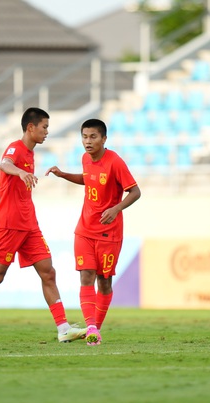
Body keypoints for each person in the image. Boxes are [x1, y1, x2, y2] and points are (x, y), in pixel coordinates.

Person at [0, 107, 86, 344]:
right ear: (30, 127)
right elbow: (4, 164)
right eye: (44, 127)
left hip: (29, 224)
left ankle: (63, 328)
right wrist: (17, 175)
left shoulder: (31, 153)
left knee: (48, 271)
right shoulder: (16, 147)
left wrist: (4, 187)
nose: (47, 132)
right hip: (9, 224)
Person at [45, 119, 141, 346]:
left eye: (93, 137)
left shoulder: (115, 162)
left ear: (104, 139)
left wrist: (116, 208)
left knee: (104, 282)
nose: (88, 142)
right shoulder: (85, 159)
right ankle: (90, 328)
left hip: (109, 232)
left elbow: (135, 192)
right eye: (84, 137)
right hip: (85, 230)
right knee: (85, 276)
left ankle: (95, 328)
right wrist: (63, 175)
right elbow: (88, 180)